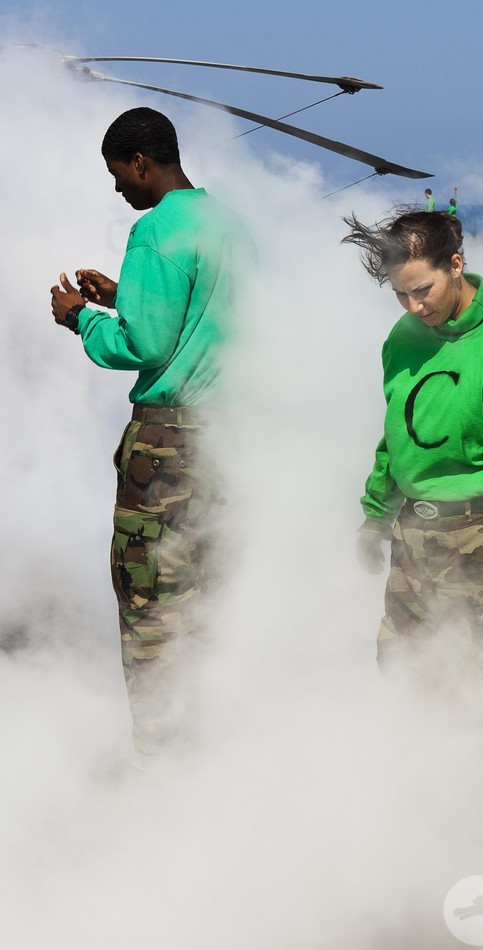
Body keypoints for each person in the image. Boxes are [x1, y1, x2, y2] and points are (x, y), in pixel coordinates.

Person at [50, 107, 255, 761]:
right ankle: (217, 751)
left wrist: (80, 318)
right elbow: (207, 317)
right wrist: (122, 295)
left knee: (150, 606)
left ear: (141, 162)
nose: (118, 188)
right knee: (209, 595)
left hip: (167, 449)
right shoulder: (228, 224)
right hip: (229, 441)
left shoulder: (155, 229)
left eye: (118, 174)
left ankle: (162, 762)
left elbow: (145, 345)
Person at [342, 210, 483, 688]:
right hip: (414, 534)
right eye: (400, 294)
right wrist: (376, 516)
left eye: (422, 290)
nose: (413, 307)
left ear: (455, 265)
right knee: (404, 665)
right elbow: (397, 436)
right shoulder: (403, 337)